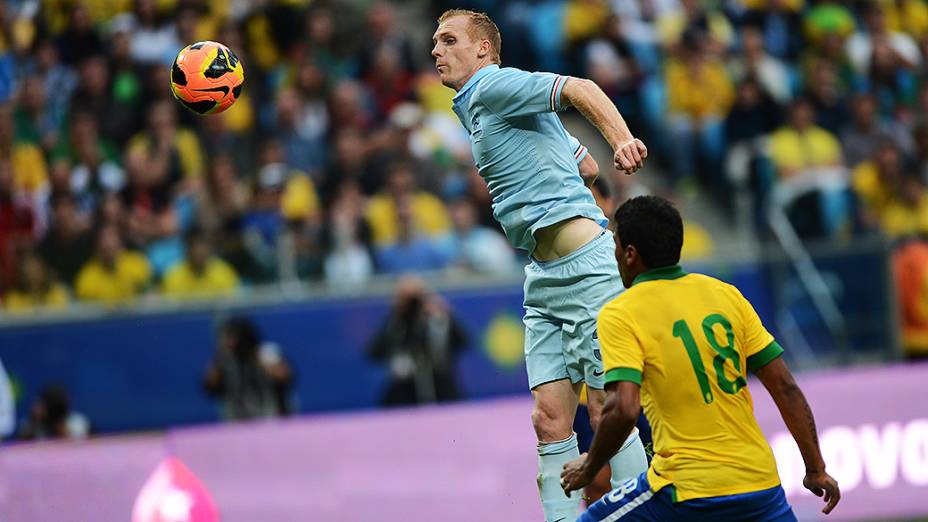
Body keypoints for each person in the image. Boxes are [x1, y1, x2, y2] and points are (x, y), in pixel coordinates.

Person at [431, 9, 649, 520]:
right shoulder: (477, 108)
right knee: (550, 421)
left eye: (449, 40)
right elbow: (586, 165)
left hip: (588, 271)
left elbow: (582, 87)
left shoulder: (491, 86)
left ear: (483, 48)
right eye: (435, 44)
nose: (437, 51)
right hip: (544, 278)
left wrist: (621, 138)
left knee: (604, 411)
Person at [560, 196, 841, 521]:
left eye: (617, 245)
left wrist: (589, 465)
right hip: (759, 486)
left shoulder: (621, 313)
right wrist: (815, 468)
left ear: (630, 254)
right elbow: (785, 387)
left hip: (684, 489)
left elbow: (624, 407)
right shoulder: (726, 296)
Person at [367, 277, 467, 405]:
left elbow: (463, 342)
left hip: (440, 381)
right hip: (404, 386)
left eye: (415, 298)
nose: (412, 304)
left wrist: (444, 317)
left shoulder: (438, 319)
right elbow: (374, 352)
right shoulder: (394, 323)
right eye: (405, 298)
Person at [203, 317, 294, 421]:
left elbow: (286, 377)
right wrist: (217, 365)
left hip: (272, 418)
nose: (227, 343)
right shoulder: (223, 359)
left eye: (231, 338)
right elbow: (209, 386)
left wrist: (264, 362)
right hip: (239, 421)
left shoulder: (266, 353)